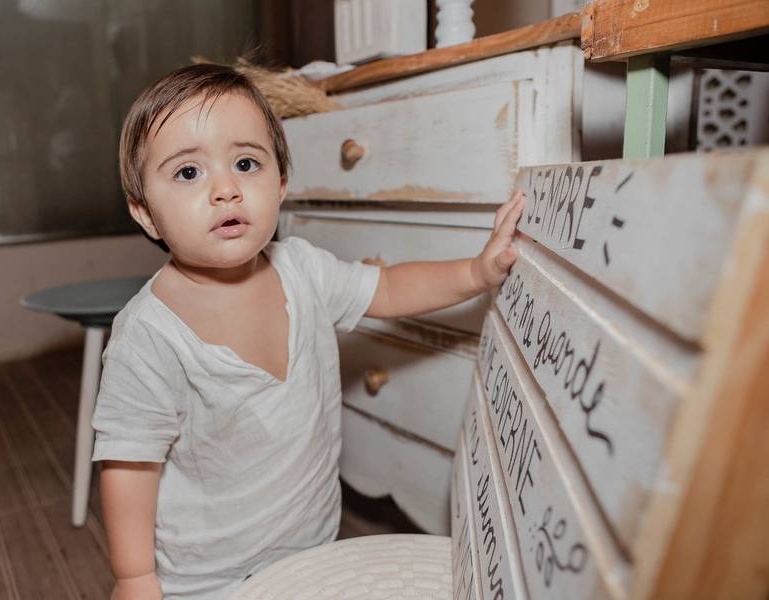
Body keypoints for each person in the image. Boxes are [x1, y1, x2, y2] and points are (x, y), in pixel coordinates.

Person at [92, 63, 525, 600]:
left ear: (280, 183)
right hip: (206, 583)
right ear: (146, 215)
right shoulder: (148, 338)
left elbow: (387, 289)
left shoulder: (304, 270)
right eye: (188, 174)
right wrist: (135, 579)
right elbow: (130, 466)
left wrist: (475, 272)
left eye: (245, 163)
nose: (225, 189)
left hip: (312, 552)